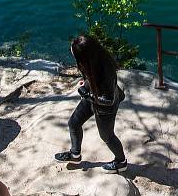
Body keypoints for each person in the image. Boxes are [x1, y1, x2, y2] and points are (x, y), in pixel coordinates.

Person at [54, 34, 127, 173]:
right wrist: (86, 83)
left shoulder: (105, 69)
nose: (72, 55)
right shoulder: (91, 61)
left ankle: (121, 162)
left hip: (105, 107)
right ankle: (75, 155)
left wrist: (87, 95)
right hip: (93, 96)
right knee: (73, 123)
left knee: (107, 136)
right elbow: (90, 76)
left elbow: (109, 99)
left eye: (74, 53)